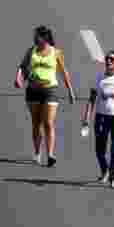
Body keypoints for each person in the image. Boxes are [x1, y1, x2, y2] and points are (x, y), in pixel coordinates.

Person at [15, 25, 76, 167]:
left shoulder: (56, 52)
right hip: (33, 90)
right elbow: (22, 66)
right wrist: (18, 78)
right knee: (36, 123)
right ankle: (37, 153)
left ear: (44, 38)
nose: (34, 39)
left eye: (37, 36)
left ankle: (50, 154)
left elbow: (63, 71)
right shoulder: (31, 51)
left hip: (50, 90)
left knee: (48, 123)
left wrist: (70, 91)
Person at [81, 50, 114, 189]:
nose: (109, 61)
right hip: (101, 117)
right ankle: (105, 171)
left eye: (112, 59)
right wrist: (86, 118)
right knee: (100, 150)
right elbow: (91, 100)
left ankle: (113, 178)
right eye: (107, 58)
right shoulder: (98, 79)